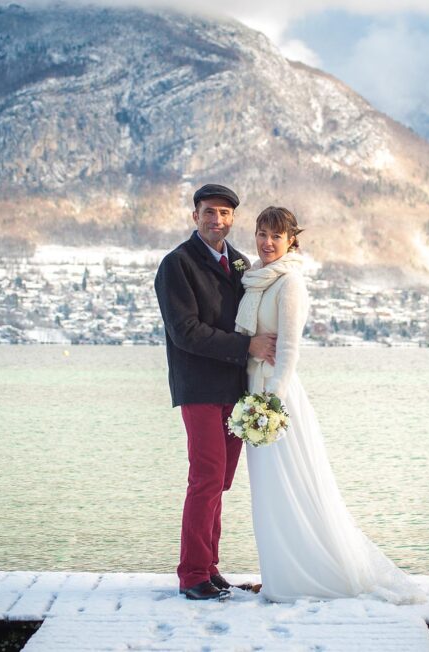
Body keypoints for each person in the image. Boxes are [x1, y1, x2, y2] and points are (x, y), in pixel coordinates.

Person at [235, 206, 425, 604]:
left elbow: (289, 350)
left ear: (291, 241)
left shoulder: (290, 284)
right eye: (261, 234)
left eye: (275, 236)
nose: (267, 243)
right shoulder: (254, 280)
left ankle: (309, 575)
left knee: (291, 487)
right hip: (252, 391)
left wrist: (273, 407)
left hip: (273, 398)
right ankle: (279, 574)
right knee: (268, 491)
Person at [154, 184, 277, 601]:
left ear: (232, 219)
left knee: (219, 482)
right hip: (199, 387)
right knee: (204, 478)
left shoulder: (241, 263)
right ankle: (191, 575)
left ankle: (209, 567)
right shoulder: (177, 265)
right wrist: (247, 347)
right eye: (209, 212)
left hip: (235, 391)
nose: (217, 220)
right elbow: (185, 332)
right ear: (195, 216)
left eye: (224, 214)